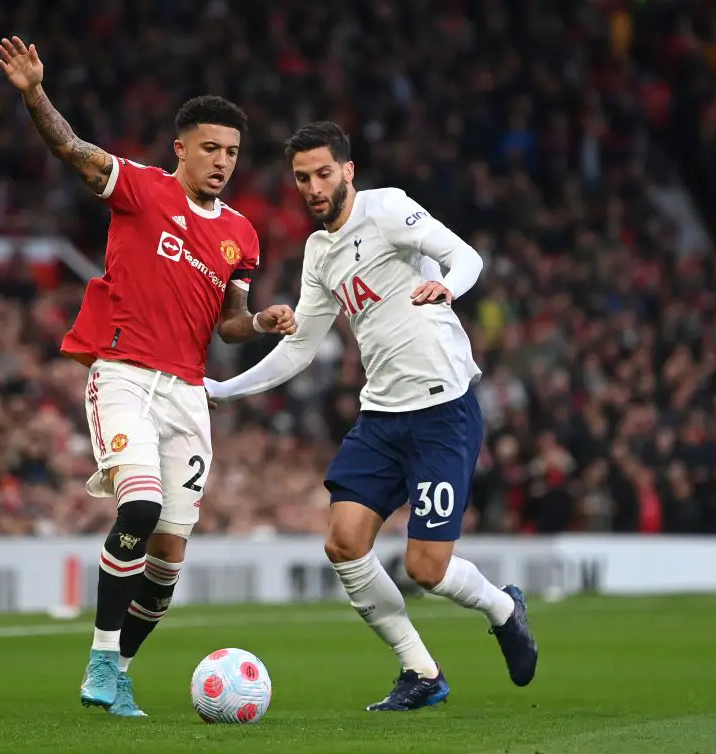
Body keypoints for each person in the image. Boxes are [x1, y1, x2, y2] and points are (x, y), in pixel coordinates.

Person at [0, 37, 296, 717]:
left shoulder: (242, 235)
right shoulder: (141, 188)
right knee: (138, 506)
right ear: (181, 148)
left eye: (232, 152)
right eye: (211, 148)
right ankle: (101, 660)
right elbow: (71, 148)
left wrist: (265, 322)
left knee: (166, 560)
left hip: (188, 394)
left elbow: (231, 323)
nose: (222, 161)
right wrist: (34, 92)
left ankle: (121, 667)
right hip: (126, 375)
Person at [205, 121, 538, 711]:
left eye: (323, 173)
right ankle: (420, 671)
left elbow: (464, 257)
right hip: (382, 417)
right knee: (343, 542)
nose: (313, 187)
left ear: (347, 171)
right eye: (303, 177)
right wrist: (226, 389)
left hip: (442, 410)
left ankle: (504, 608)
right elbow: (301, 347)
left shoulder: (387, 210)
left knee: (427, 568)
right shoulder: (318, 252)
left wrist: (448, 290)